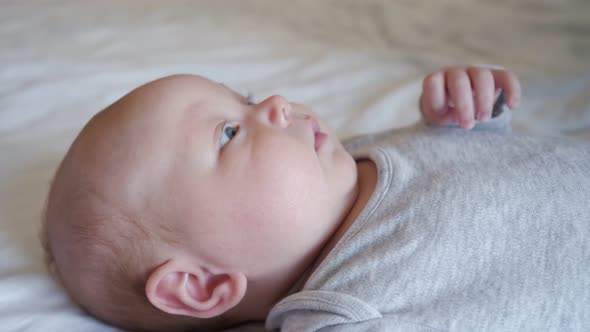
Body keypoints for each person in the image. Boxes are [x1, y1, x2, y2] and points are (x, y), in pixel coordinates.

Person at [41, 66, 590, 332]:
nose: (277, 104)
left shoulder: (353, 158)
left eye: (248, 100)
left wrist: (465, 118)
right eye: (230, 133)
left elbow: (496, 175)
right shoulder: (342, 315)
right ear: (201, 284)